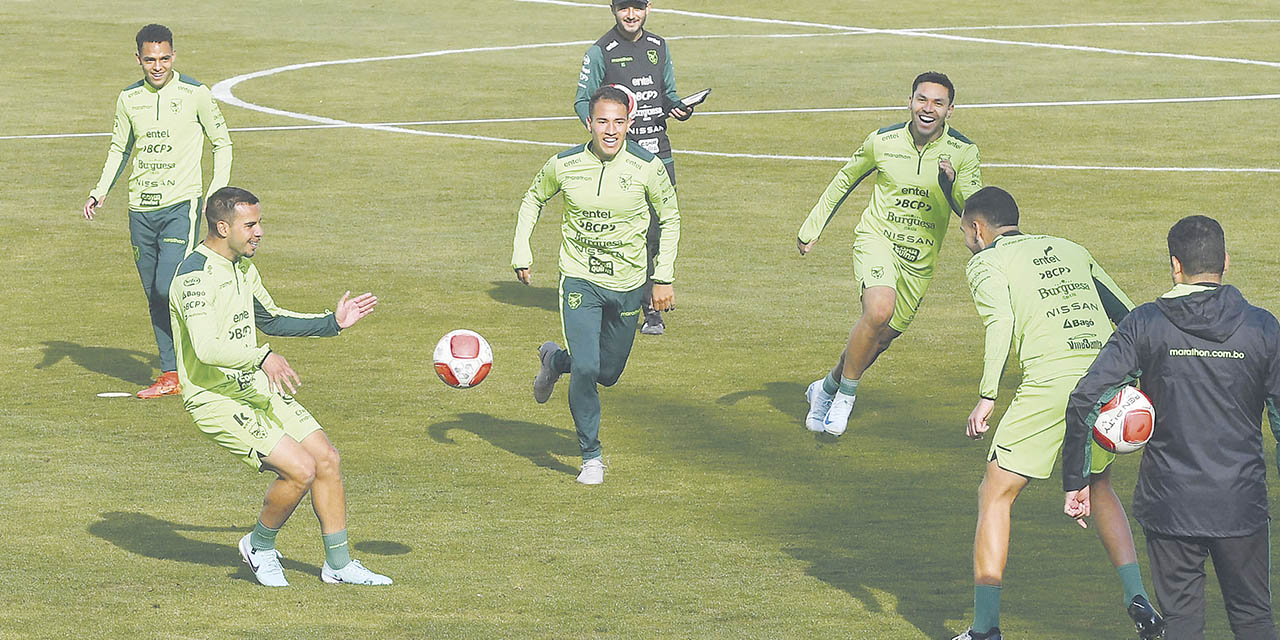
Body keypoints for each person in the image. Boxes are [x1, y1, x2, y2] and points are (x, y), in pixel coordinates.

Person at [951, 187, 1164, 640]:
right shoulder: (1070, 248)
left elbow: (1000, 323)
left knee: (996, 493)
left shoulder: (985, 263)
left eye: (965, 233)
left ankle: (985, 629)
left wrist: (988, 395)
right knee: (1099, 485)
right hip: (1105, 381)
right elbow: (1128, 313)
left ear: (977, 229)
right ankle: (1137, 597)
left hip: (1051, 385)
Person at [1064, 215, 1280, 640]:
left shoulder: (1146, 323)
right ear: (1226, 262)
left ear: (1175, 266)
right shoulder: (1263, 327)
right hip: (1240, 502)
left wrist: (1076, 478)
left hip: (1170, 504)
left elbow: (1085, 398)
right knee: (1254, 618)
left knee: (1181, 622)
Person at [169, 186, 389, 587]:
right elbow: (204, 348)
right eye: (250, 224)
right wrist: (261, 357)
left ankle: (338, 565)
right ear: (223, 226)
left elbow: (269, 318)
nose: (260, 232)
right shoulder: (194, 277)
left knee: (326, 458)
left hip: (253, 384)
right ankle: (259, 545)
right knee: (299, 470)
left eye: (259, 223)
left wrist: (331, 323)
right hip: (215, 397)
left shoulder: (242, 268)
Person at [797, 71, 982, 436]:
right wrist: (811, 228)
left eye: (938, 103)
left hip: (920, 258)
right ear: (910, 102)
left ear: (950, 110)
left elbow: (970, 209)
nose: (928, 109)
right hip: (877, 239)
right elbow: (844, 180)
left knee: (880, 338)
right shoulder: (882, 141)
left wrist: (951, 183)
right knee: (878, 310)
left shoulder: (964, 153)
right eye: (922, 99)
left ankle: (827, 387)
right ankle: (846, 396)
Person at [514, 85, 680, 485]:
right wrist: (522, 249)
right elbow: (533, 198)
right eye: (602, 121)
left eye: (618, 122)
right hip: (579, 279)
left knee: (606, 373)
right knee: (588, 367)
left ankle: (555, 361)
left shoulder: (647, 166)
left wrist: (663, 277)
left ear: (630, 123)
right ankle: (591, 456)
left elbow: (671, 218)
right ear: (589, 122)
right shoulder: (564, 164)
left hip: (626, 283)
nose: (610, 130)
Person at [84, 24, 233, 398]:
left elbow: (223, 143)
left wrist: (215, 196)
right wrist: (99, 191)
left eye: (164, 58)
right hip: (140, 208)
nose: (157, 66)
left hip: (180, 204)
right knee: (154, 293)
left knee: (170, 286)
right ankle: (171, 373)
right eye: (149, 59)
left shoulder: (195, 93)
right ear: (138, 59)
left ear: (173, 56)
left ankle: (210, 355)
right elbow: (119, 149)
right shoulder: (128, 98)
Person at [575, 0, 691, 336]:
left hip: (659, 153)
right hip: (621, 156)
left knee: (656, 233)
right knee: (626, 233)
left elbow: (666, 94)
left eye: (637, 7)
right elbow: (583, 100)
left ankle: (648, 298)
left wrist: (678, 107)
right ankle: (642, 307)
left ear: (648, 8)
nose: (631, 14)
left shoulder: (658, 46)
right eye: (625, 7)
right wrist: (602, 131)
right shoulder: (600, 52)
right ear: (613, 8)